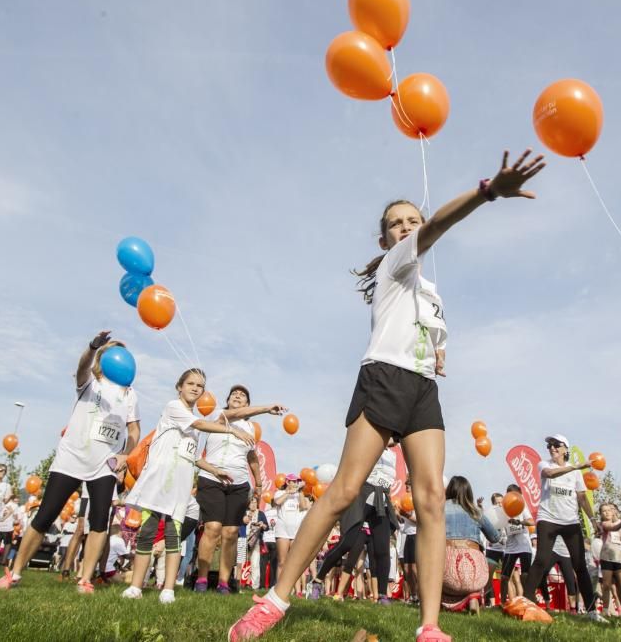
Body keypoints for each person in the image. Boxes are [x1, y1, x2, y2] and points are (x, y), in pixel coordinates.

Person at [229, 148, 546, 642]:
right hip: (383, 379)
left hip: (422, 390)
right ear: (386, 238)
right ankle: (274, 600)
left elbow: (435, 340)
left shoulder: (432, 292)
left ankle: (430, 626)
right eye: (396, 224)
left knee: (432, 501)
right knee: (344, 491)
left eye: (410, 221)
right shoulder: (396, 264)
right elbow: (439, 223)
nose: (404, 228)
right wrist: (486, 193)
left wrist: (438, 356)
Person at [0, 332, 140, 594]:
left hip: (103, 465)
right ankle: (14, 573)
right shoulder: (89, 383)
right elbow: (82, 366)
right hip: (70, 459)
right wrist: (93, 347)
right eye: (111, 353)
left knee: (99, 523)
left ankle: (85, 579)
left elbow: (134, 431)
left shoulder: (129, 395)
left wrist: (126, 453)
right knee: (45, 515)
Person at [121, 367, 255, 603]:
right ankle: (135, 586)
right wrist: (232, 429)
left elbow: (192, 455)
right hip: (158, 483)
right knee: (148, 532)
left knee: (174, 537)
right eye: (191, 384)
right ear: (179, 387)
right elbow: (202, 425)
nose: (195, 388)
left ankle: (169, 589)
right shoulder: (174, 408)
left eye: (200, 386)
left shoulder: (194, 426)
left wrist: (214, 469)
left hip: (179, 488)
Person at [194, 384, 283, 594]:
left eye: (242, 395)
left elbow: (252, 457)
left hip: (239, 483)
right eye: (234, 394)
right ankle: (202, 579)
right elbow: (236, 414)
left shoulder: (251, 429)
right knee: (212, 528)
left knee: (231, 531)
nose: (238, 396)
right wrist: (267, 408)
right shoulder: (219, 415)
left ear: (247, 403)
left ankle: (224, 582)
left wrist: (259, 483)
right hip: (212, 478)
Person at [510, 434, 601, 622]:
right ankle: (525, 604)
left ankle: (592, 612)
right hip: (548, 519)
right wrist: (577, 465)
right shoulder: (545, 465)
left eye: (556, 445)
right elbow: (549, 475)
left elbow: (582, 497)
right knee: (541, 560)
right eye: (549, 445)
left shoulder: (576, 474)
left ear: (566, 448)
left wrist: (592, 520)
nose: (552, 448)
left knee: (580, 566)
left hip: (570, 522)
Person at [309, 442, 399, 604]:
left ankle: (382, 595)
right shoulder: (373, 443)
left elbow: (387, 480)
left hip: (381, 501)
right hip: (363, 496)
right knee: (347, 543)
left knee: (382, 550)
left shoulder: (393, 455)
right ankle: (317, 581)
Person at [441, 475, 500, 613]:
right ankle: (472, 597)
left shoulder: (441, 508)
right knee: (485, 561)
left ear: (449, 490)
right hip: (475, 572)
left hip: (447, 569)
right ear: (469, 492)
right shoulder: (476, 511)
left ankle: (442, 602)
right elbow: (495, 538)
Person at [499, 485, 534, 602]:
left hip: (524, 545)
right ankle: (503, 603)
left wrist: (519, 522)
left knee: (525, 575)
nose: (513, 497)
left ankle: (527, 600)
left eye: (515, 494)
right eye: (509, 495)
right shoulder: (503, 508)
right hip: (510, 547)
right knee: (504, 577)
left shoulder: (523, 507)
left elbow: (531, 522)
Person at [598, 502, 621, 617]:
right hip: (607, 558)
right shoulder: (604, 524)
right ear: (601, 514)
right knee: (606, 585)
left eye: (609, 510)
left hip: (618, 559)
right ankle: (605, 610)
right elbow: (613, 527)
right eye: (604, 511)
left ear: (613, 512)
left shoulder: (618, 528)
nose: (607, 512)